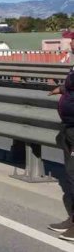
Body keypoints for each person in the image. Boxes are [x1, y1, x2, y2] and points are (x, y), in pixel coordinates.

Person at [48, 63, 74, 241]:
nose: (71, 44)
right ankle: (72, 219)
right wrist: (62, 89)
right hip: (69, 128)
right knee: (71, 175)